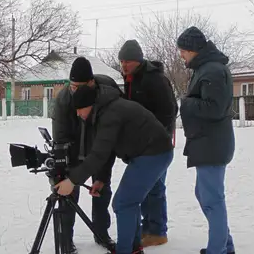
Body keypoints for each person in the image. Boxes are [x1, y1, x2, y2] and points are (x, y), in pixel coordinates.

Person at [54, 83, 174, 254]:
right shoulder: (104, 110)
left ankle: (126, 250)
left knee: (123, 203)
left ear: (89, 104)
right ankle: (133, 248)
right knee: (129, 201)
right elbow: (107, 150)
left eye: (80, 109)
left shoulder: (110, 114)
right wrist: (101, 178)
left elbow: (98, 154)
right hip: (152, 152)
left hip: (153, 153)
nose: (78, 114)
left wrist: (72, 180)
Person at [51, 57, 122, 253]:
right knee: (68, 193)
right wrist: (63, 171)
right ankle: (66, 239)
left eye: (79, 86)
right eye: (72, 86)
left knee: (102, 191)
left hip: (98, 153)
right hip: (72, 155)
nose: (75, 90)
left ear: (91, 83)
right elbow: (60, 137)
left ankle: (101, 233)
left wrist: (102, 176)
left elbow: (110, 142)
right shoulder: (64, 100)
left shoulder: (106, 97)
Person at [176, 26, 236, 254]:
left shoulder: (212, 70)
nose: (181, 54)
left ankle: (218, 249)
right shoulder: (206, 68)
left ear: (193, 49)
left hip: (212, 144)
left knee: (212, 199)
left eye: (182, 50)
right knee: (205, 195)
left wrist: (187, 102)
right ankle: (225, 245)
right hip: (208, 143)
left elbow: (215, 108)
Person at [118, 39, 178, 247]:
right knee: (150, 186)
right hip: (141, 144)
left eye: (128, 61)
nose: (124, 65)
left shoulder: (154, 79)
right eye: (122, 61)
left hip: (156, 145)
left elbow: (170, 111)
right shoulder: (131, 79)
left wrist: (156, 135)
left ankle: (157, 230)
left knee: (155, 186)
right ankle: (150, 227)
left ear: (138, 61)